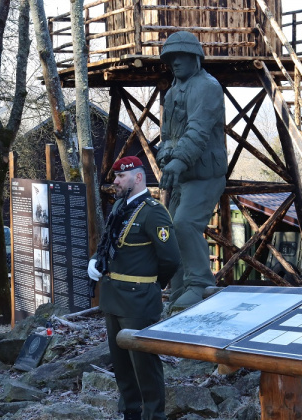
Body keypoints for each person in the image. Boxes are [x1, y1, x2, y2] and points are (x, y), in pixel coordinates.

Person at [88, 156, 181, 420]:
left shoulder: (154, 212)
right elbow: (109, 242)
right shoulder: (119, 206)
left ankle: (153, 415)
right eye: (115, 177)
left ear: (137, 178)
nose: (115, 182)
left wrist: (151, 285)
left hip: (139, 300)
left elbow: (171, 259)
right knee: (121, 364)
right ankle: (131, 411)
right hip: (113, 297)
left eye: (120, 177)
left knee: (144, 365)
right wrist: (96, 260)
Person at [156, 31, 227, 310]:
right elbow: (166, 134)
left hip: (204, 174)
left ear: (194, 57)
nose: (174, 62)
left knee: (185, 225)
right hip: (181, 174)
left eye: (180, 56)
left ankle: (200, 284)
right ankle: (179, 293)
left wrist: (178, 159)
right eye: (171, 58)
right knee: (171, 233)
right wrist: (165, 157)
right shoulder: (172, 92)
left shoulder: (208, 87)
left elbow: (198, 129)